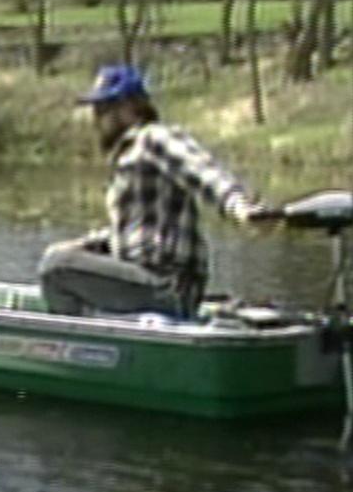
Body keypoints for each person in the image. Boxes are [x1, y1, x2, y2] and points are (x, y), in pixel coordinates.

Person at [39, 64, 273, 319]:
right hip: (148, 279)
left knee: (55, 269)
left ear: (130, 107)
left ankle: (80, 346)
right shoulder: (129, 155)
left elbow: (204, 173)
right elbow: (138, 230)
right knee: (59, 256)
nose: (96, 118)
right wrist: (86, 245)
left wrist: (241, 207)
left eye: (103, 109)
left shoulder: (154, 138)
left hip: (166, 283)